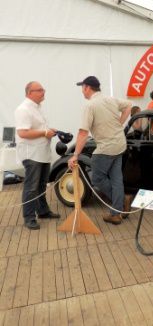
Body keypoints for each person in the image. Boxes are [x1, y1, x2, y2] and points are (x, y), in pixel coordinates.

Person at [68, 76, 132, 225]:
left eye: (82, 88)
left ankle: (121, 202)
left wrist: (75, 155)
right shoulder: (110, 99)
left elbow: (83, 133)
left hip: (106, 148)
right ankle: (117, 211)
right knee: (116, 179)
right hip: (119, 144)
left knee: (97, 179)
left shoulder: (90, 105)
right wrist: (119, 124)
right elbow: (129, 105)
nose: (82, 91)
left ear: (87, 87)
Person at [14, 81, 59, 230]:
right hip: (32, 153)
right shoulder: (23, 109)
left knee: (41, 185)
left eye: (43, 89)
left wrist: (48, 130)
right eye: (39, 90)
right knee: (31, 187)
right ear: (29, 93)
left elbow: (38, 128)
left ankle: (43, 211)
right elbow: (22, 132)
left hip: (42, 152)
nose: (43, 92)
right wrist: (45, 132)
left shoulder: (39, 108)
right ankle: (29, 217)